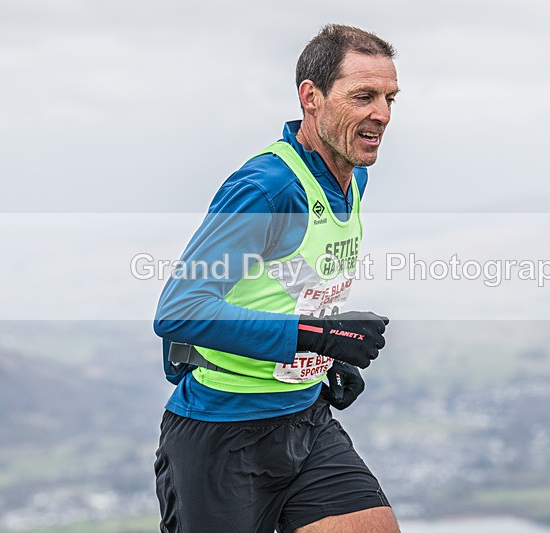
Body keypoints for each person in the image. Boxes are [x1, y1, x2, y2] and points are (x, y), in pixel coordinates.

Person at [152, 24, 401, 533]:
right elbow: (181, 309)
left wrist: (319, 359)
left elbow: (287, 279)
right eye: (363, 96)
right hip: (223, 434)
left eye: (389, 98)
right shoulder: (268, 189)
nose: (382, 113)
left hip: (305, 420)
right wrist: (317, 336)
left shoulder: (351, 176)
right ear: (311, 97)